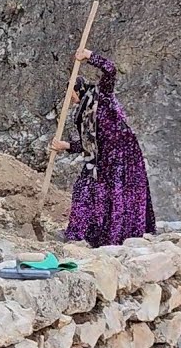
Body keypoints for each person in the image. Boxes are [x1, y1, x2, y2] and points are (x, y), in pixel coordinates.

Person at [50, 47, 156, 247]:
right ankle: (81, 235)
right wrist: (65, 145)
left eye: (70, 93)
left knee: (119, 194)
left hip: (123, 154)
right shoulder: (82, 113)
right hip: (102, 158)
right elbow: (89, 143)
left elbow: (110, 69)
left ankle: (119, 238)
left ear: (78, 89)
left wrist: (89, 56)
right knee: (85, 189)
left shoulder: (102, 95)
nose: (69, 98)